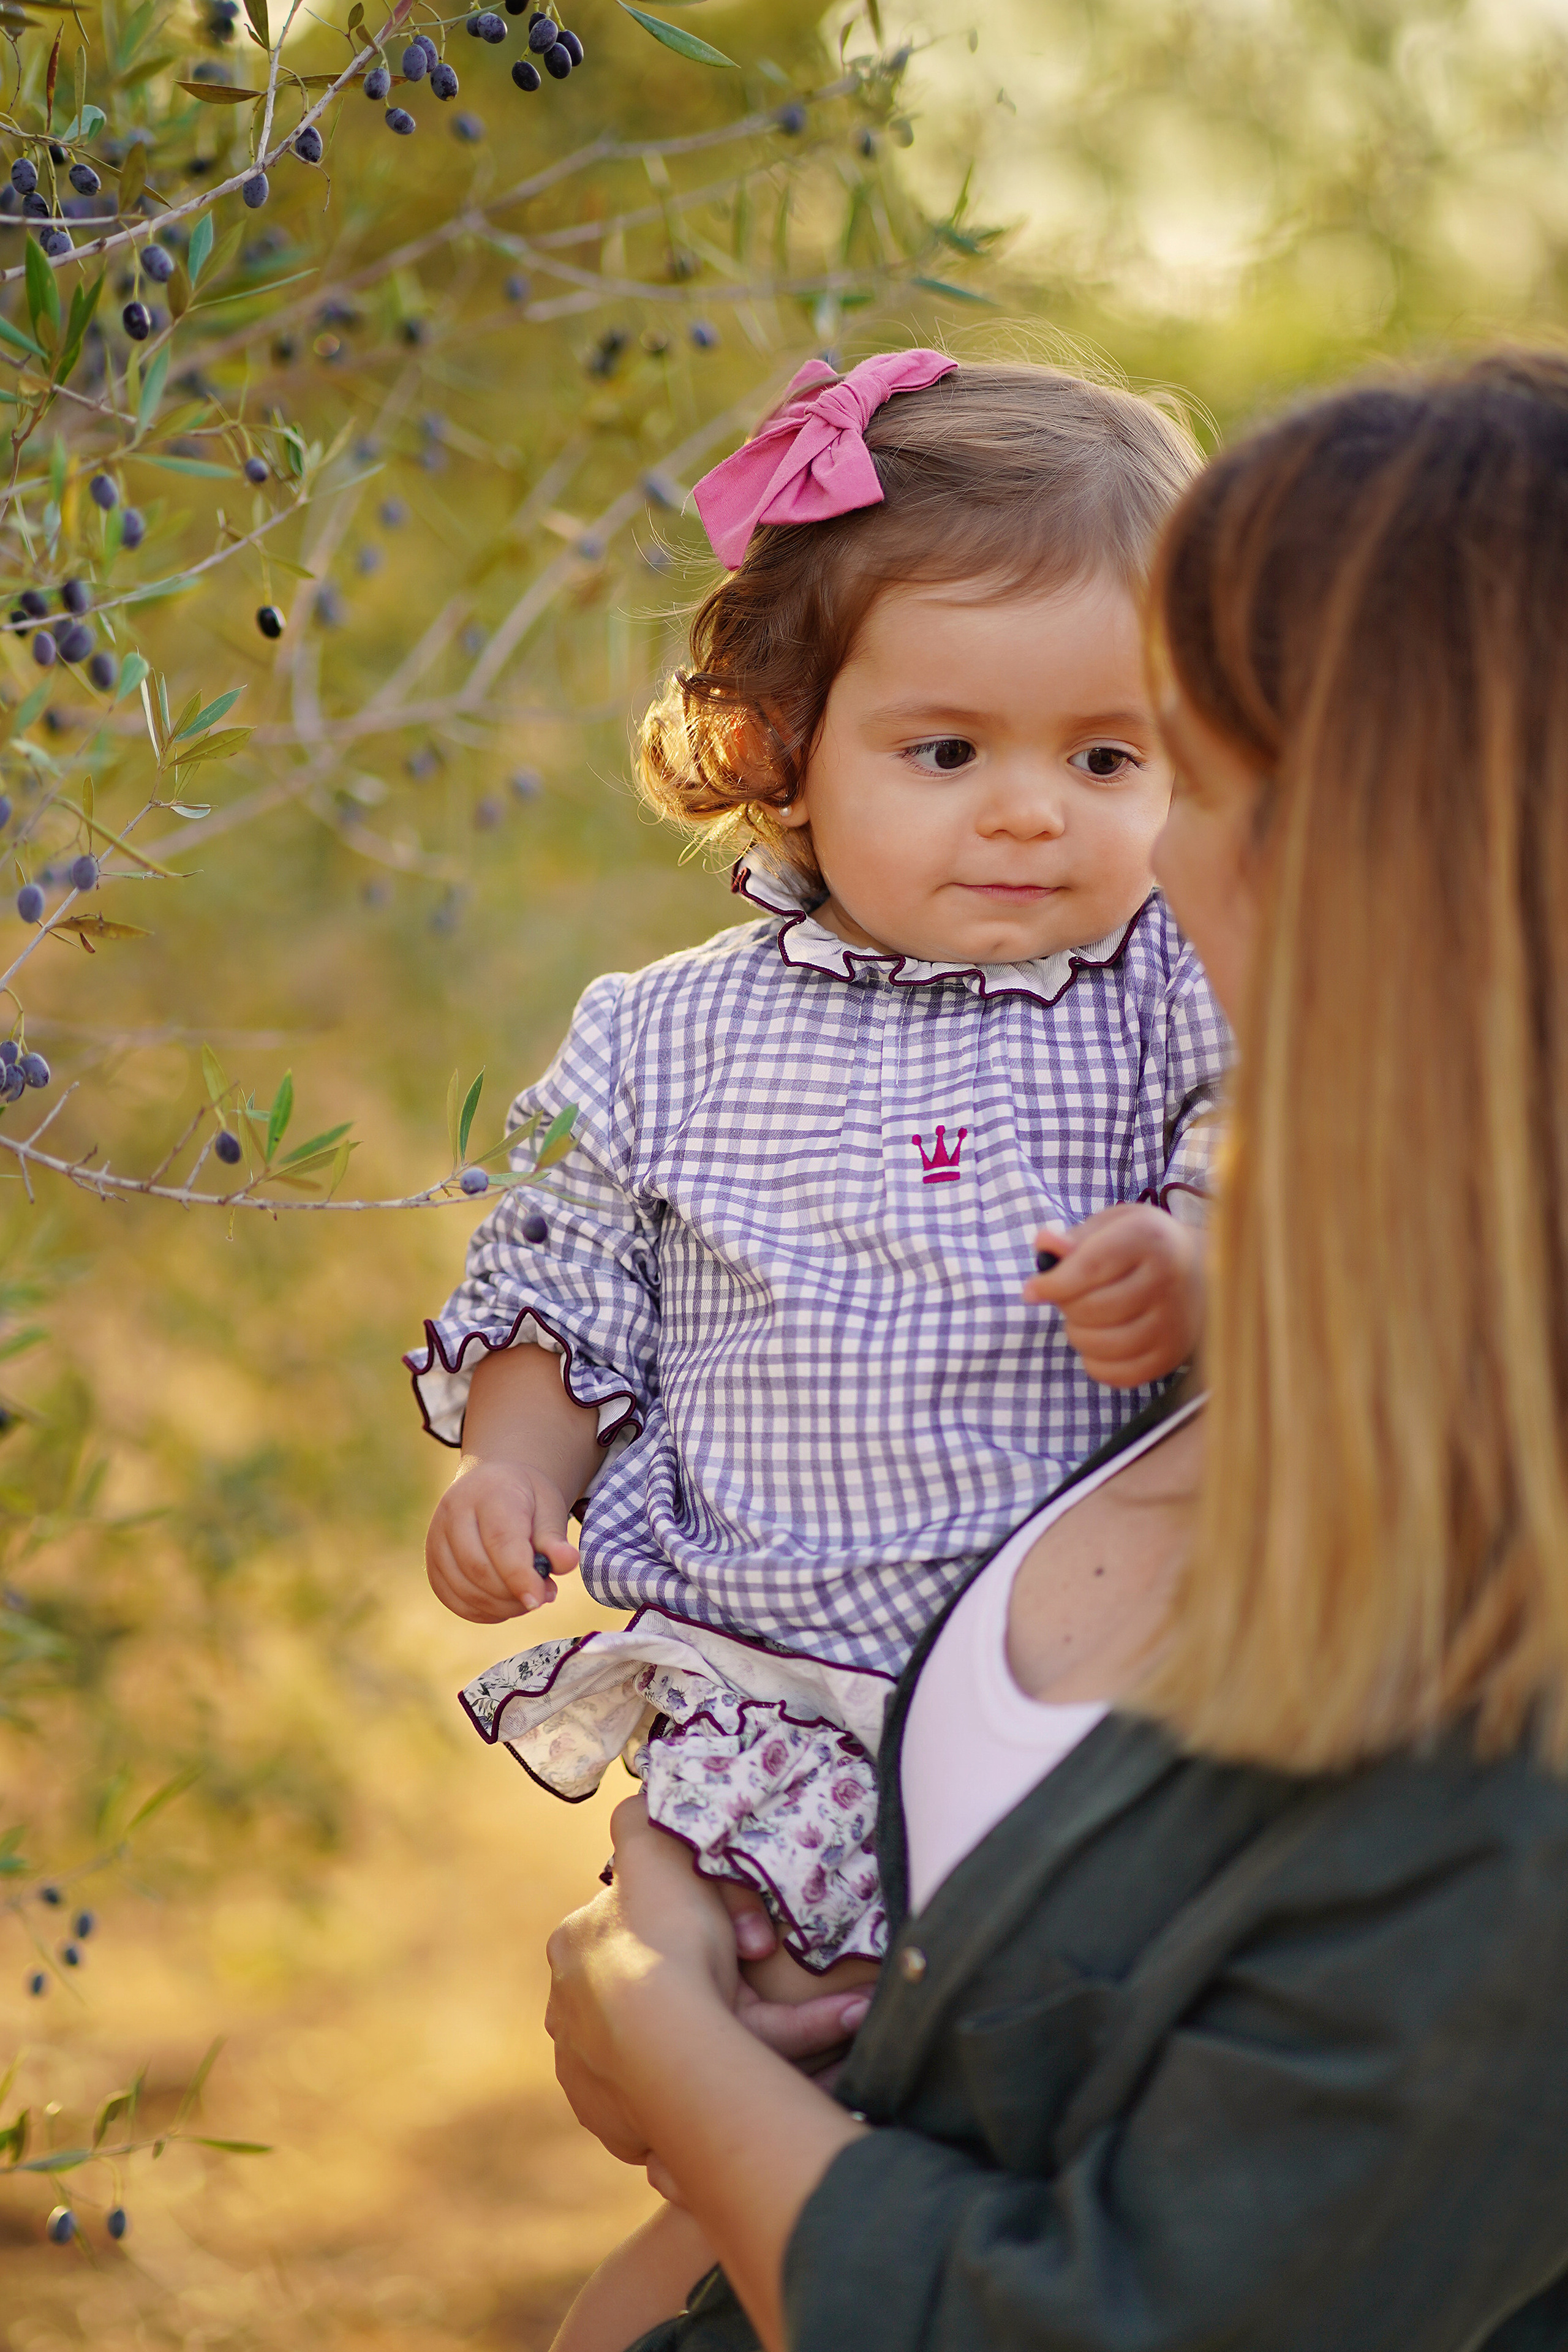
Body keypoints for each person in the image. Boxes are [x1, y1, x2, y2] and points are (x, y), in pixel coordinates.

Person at [541, 349, 1568, 2352]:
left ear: (1353, 853)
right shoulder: (1230, 1346)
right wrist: (690, 1934)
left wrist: (665, 2044)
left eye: (1153, 755)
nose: (1093, 832)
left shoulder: (1510, 1704)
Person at [408, 350, 1229, 2346]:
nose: (1033, 814)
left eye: (1109, 761)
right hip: (753, 1694)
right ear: (786, 742)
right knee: (672, 1994)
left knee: (928, 2114)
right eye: (947, 754)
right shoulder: (665, 1031)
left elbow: (1261, 1149)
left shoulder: (1165, 986)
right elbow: (568, 1261)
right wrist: (518, 1458)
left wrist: (1198, 1264)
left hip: (1052, 1718)